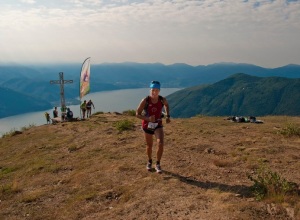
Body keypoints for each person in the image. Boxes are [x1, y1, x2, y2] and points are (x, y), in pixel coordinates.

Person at [136, 81, 171, 173]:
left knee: (160, 143)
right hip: (147, 125)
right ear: (150, 90)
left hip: (158, 125)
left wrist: (168, 116)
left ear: (159, 91)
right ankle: (149, 161)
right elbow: (137, 114)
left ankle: (158, 164)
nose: (154, 92)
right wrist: (147, 118)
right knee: (149, 146)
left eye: (156, 90)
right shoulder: (145, 100)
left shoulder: (162, 99)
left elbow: (167, 106)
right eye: (152, 90)